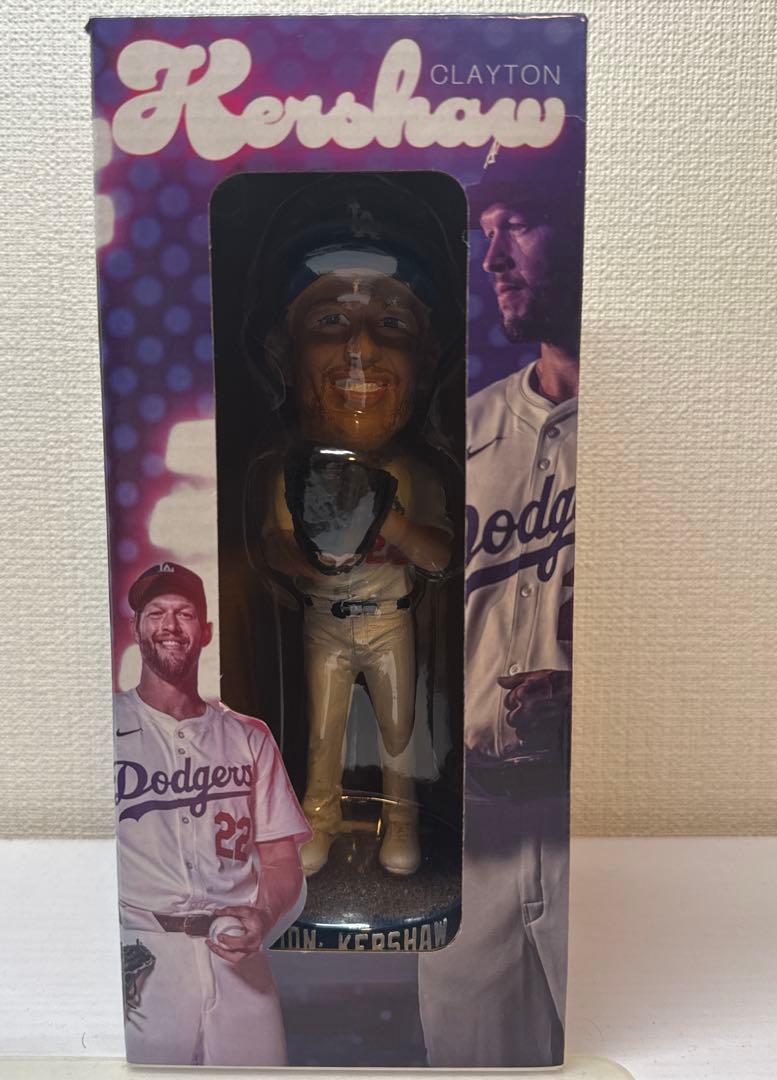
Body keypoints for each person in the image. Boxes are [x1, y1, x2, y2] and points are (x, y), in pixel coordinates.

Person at [418, 118, 585, 1066]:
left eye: (517, 224)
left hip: (588, 826)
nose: (493, 260)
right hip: (473, 828)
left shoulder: (659, 433)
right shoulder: (459, 433)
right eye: (486, 234)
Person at [255, 176, 456, 878]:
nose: (361, 349)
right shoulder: (292, 469)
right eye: (330, 321)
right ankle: (319, 819)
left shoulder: (414, 473)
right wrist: (312, 557)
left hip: (390, 622)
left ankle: (402, 823)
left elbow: (441, 557)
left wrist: (385, 518)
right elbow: (276, 545)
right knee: (322, 733)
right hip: (324, 623)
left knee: (401, 731)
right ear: (285, 352)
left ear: (427, 360)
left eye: (392, 325)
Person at [114, 561, 311, 1066]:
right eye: (156, 612)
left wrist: (264, 915)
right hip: (143, 952)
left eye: (184, 613)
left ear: (205, 631)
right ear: (136, 627)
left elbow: (281, 863)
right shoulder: (104, 729)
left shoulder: (248, 735)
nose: (170, 625)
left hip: (239, 955)